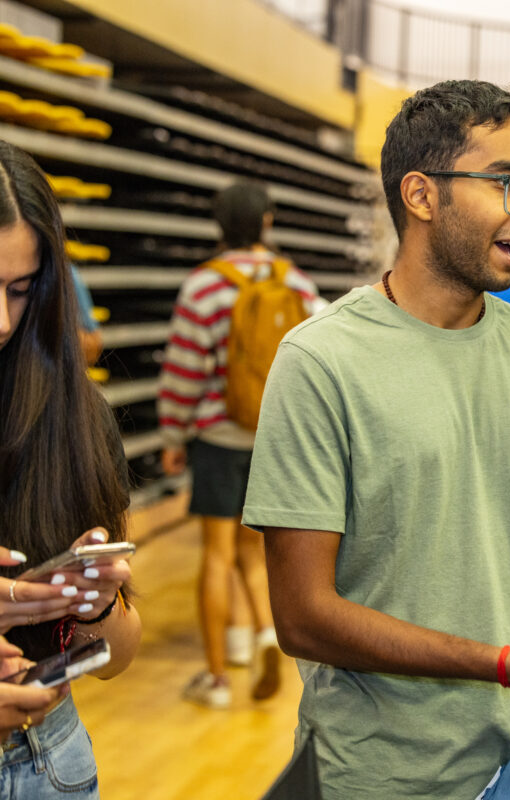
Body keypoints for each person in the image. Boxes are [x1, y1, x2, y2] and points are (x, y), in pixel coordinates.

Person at [242, 80, 510, 798]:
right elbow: (304, 617)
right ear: (421, 195)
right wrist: (500, 663)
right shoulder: (320, 362)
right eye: (506, 183)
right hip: (370, 777)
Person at [0, 133, 140, 798]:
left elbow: (117, 657)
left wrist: (100, 605)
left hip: (49, 763)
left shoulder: (73, 420)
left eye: (20, 292)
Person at [157, 180, 322, 708]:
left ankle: (218, 680)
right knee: (255, 551)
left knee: (216, 554)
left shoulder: (204, 286)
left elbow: (184, 369)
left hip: (218, 436)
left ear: (219, 224)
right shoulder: (295, 282)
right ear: (268, 222)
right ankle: (267, 637)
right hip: (274, 437)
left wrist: (172, 434)